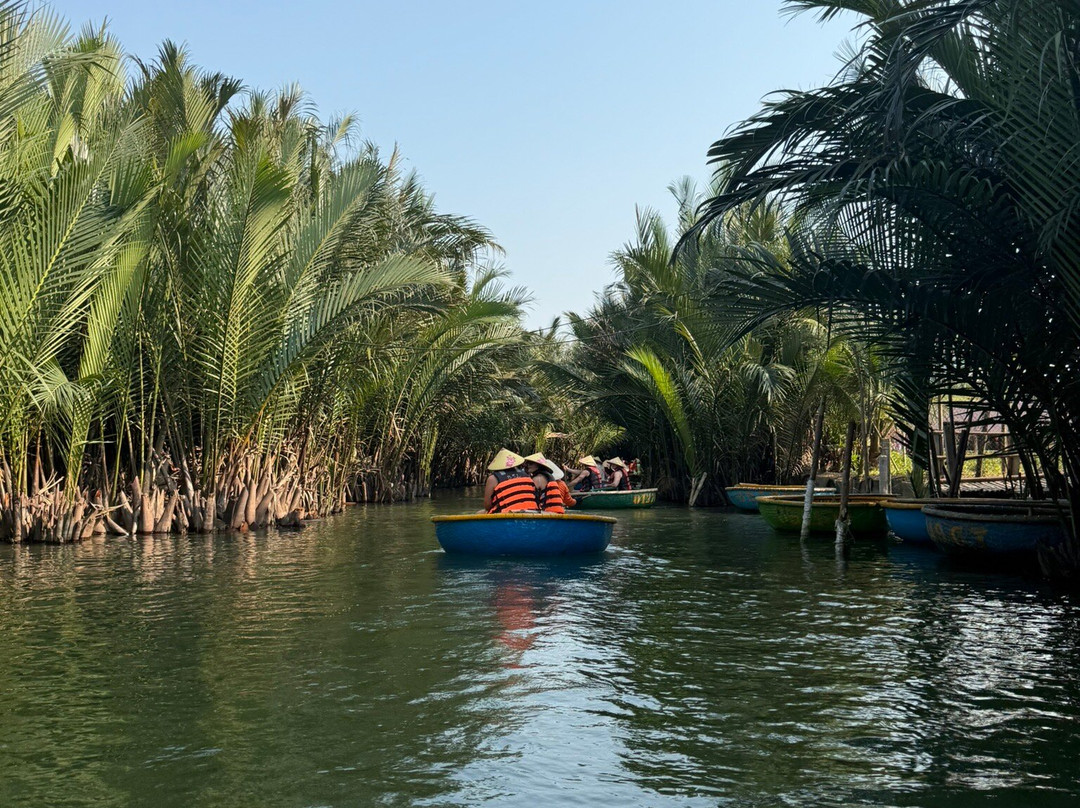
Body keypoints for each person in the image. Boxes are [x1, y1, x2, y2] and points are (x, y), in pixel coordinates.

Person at [484, 449, 540, 513]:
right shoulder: (527, 476)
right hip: (532, 513)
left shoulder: (493, 479)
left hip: (506, 515)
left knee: (481, 512)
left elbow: (487, 505)